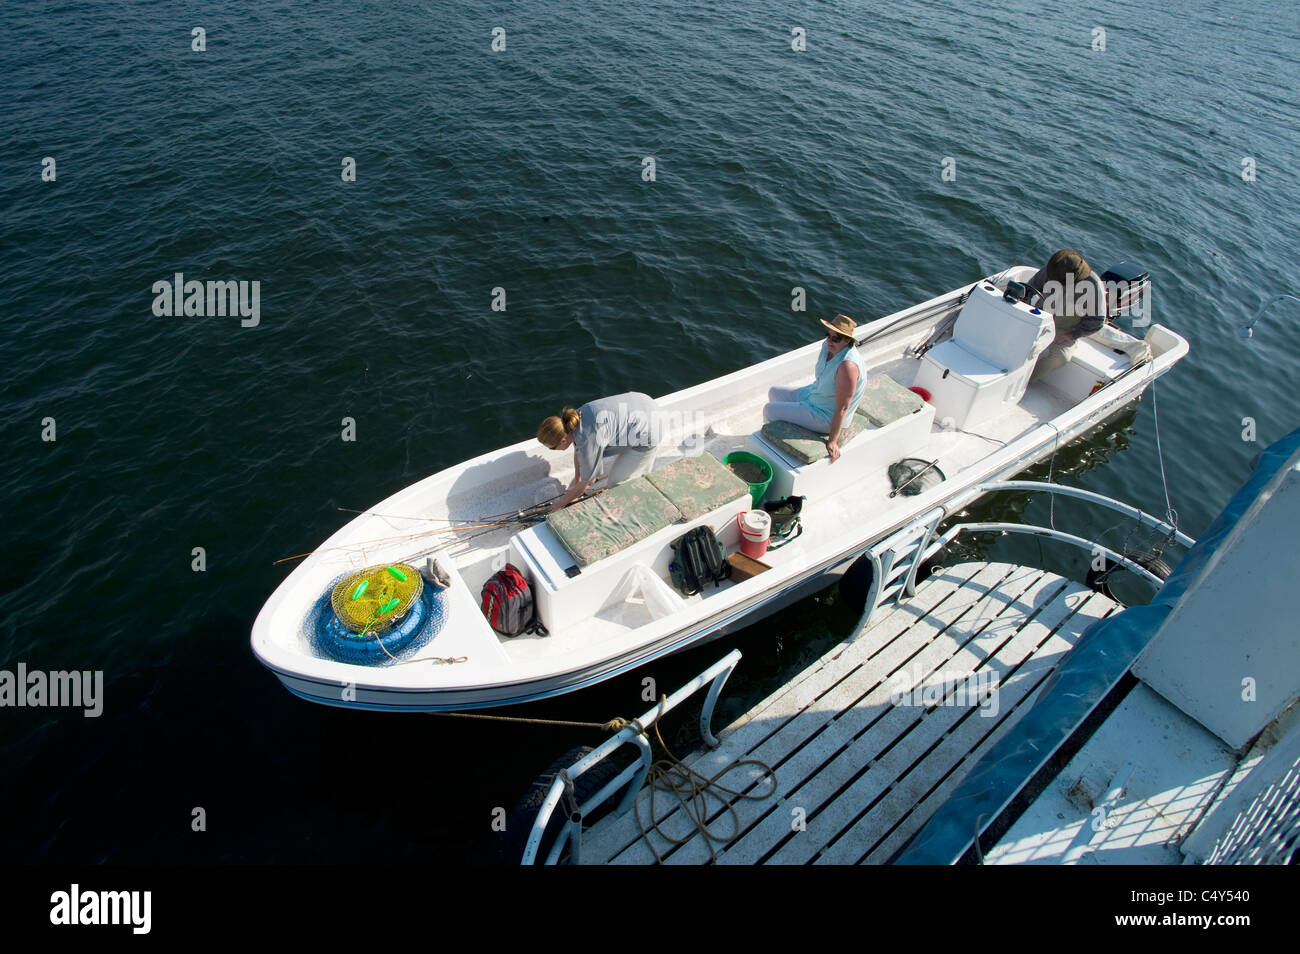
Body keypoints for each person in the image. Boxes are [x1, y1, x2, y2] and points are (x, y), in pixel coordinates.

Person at [763, 314, 867, 463]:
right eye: (828, 335)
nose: (830, 340)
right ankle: (785, 429)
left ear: (847, 340)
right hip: (813, 394)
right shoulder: (827, 346)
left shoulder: (847, 367)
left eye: (836, 338)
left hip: (826, 415)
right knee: (773, 391)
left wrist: (832, 441)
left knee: (769, 410)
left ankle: (771, 450)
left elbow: (843, 408)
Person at [537, 392, 663, 512]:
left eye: (552, 448)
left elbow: (589, 481)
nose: (551, 450)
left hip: (650, 430)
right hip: (642, 402)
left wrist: (560, 504)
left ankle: (639, 501)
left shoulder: (586, 440)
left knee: (616, 483)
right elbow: (579, 451)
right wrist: (577, 483)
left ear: (563, 440)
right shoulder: (573, 419)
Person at [1027, 249, 1107, 377]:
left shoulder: (1093, 285)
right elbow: (1030, 288)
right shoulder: (1052, 269)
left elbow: (1097, 320)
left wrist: (1072, 335)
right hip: (1039, 317)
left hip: (1064, 329)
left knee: (1061, 358)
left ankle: (1028, 379)